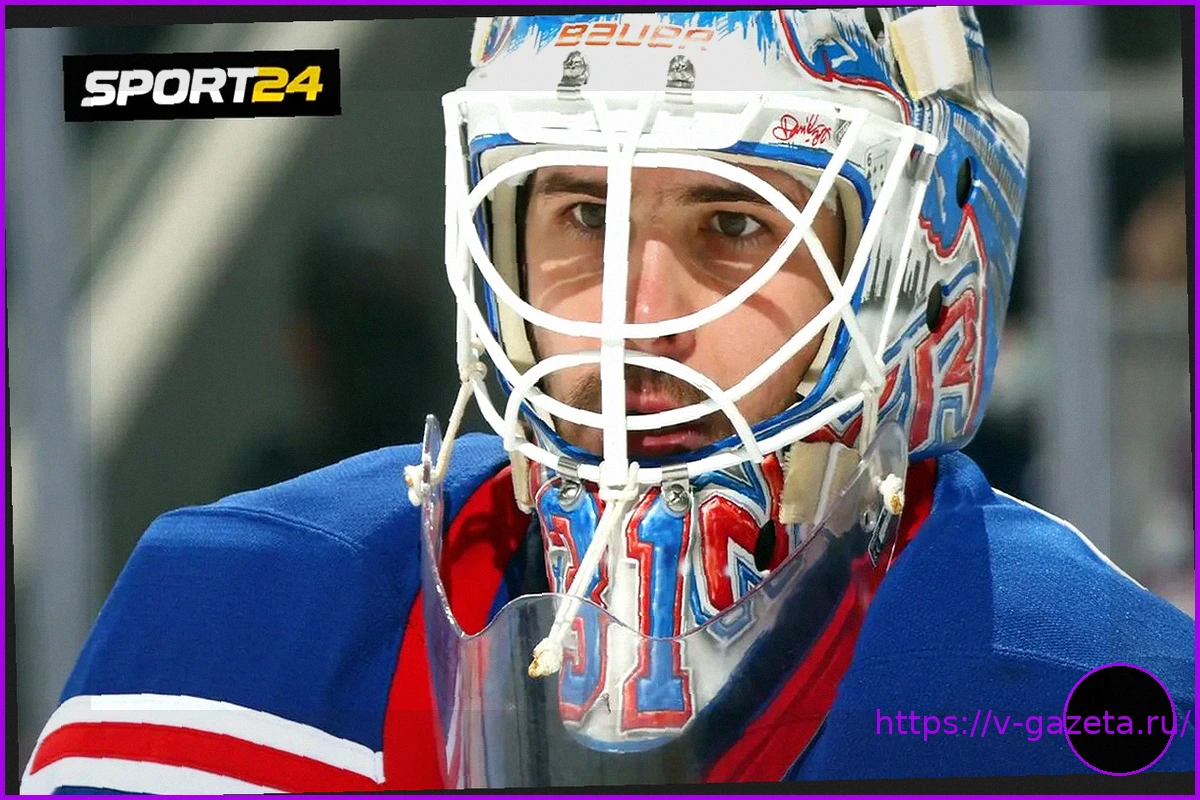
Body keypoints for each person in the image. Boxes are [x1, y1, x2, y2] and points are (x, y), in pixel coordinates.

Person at [22, 9, 1194, 792]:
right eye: (583, 212)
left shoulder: (1103, 708)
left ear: (914, 270)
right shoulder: (217, 638)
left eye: (735, 222)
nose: (638, 314)